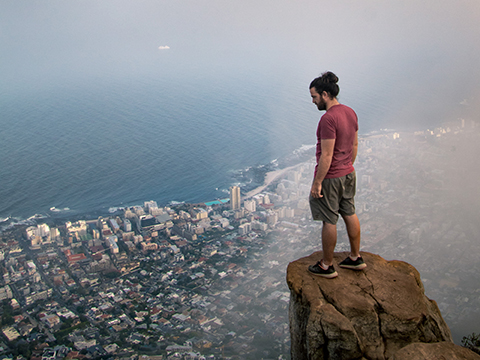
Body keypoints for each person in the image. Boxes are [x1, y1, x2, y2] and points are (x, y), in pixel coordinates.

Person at [308, 71, 366, 278]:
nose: (313, 102)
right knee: (349, 211)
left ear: (325, 94)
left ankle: (326, 265)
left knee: (329, 220)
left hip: (331, 177)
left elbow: (327, 155)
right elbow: (355, 144)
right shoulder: (350, 112)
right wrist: (347, 166)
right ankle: (355, 257)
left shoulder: (328, 119)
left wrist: (318, 183)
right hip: (348, 173)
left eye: (314, 97)